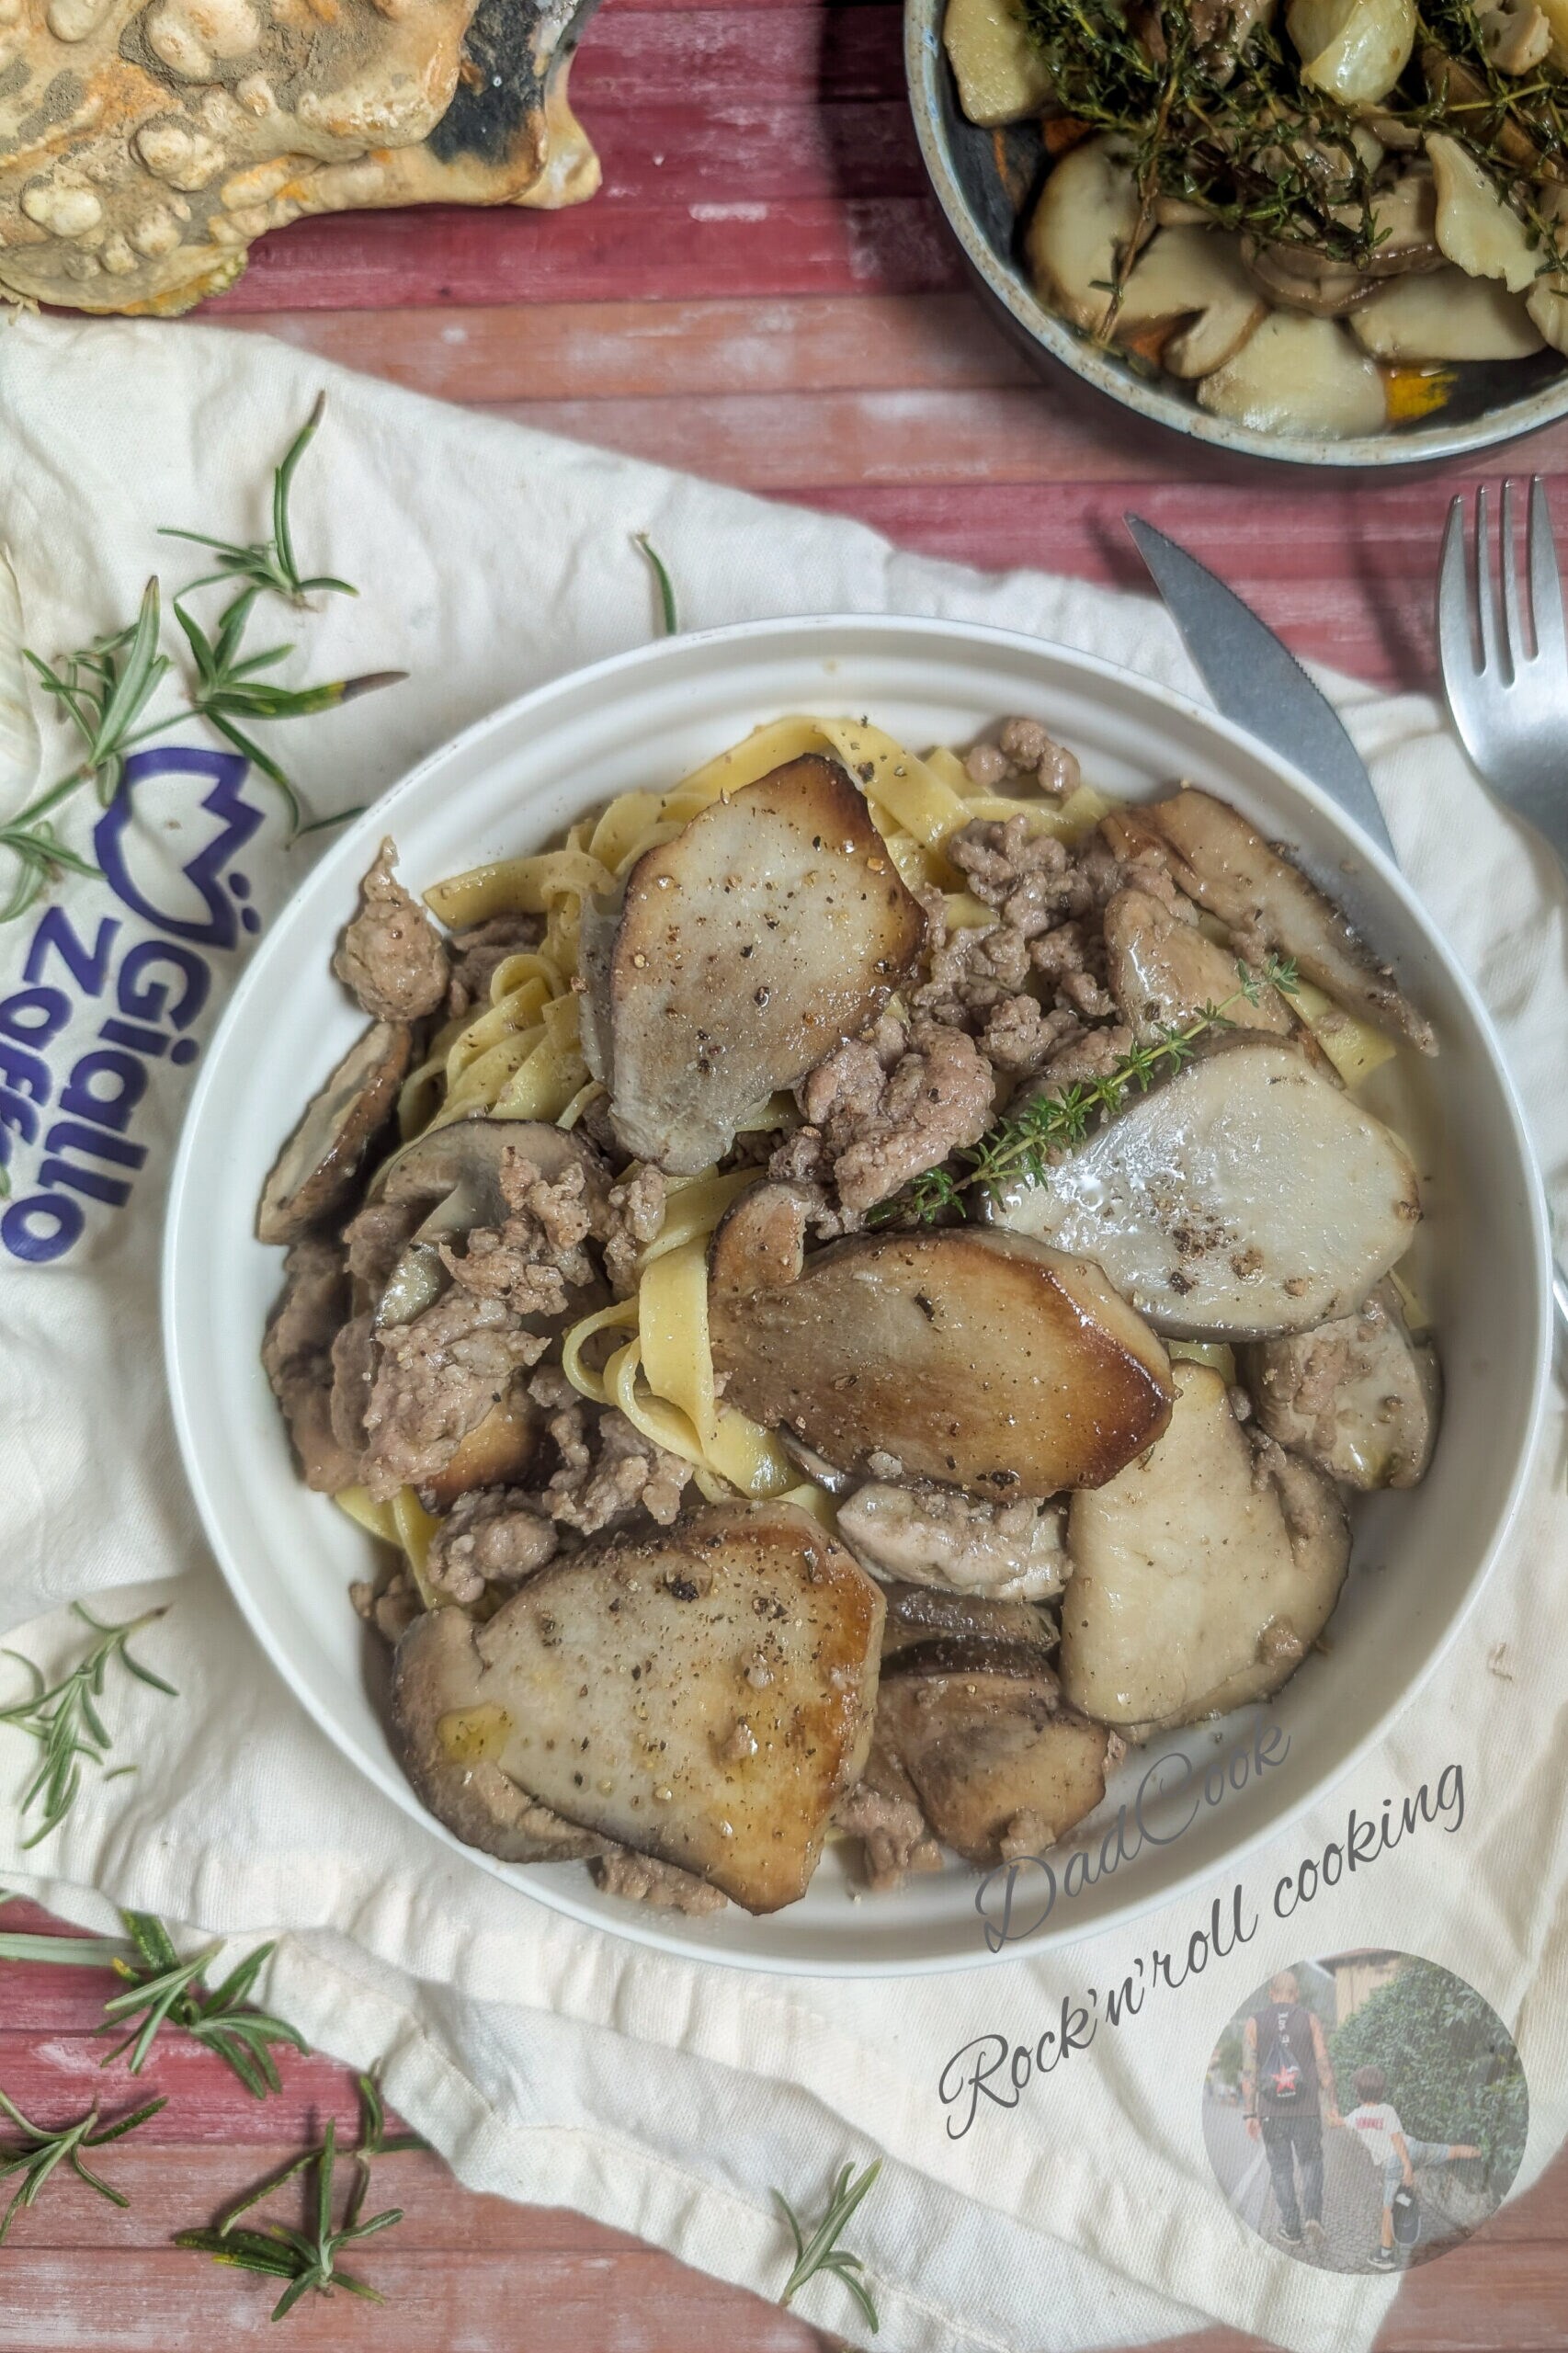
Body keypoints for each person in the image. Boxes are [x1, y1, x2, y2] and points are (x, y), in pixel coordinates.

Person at [1341, 2064, 1481, 2270]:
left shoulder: (1355, 2116)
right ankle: (1481, 2152)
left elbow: (1394, 2141)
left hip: (1397, 2160)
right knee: (1450, 2151)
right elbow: (1400, 2139)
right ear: (1381, 2091)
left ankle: (1386, 2255)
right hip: (1415, 2148)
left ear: (1358, 2093)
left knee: (1388, 2208)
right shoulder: (1387, 2110)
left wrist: (1407, 2168)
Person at [1242, 1970, 1340, 2253]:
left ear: (1271, 1994)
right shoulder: (1309, 2020)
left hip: (1272, 2111)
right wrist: (1333, 2105)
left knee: (1281, 2170)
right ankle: (1313, 2217)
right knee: (1311, 2164)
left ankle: (1292, 2228)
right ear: (1296, 1994)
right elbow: (1324, 2066)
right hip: (1307, 2110)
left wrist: (1250, 2114)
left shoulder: (1253, 2023)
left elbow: (1249, 2072)